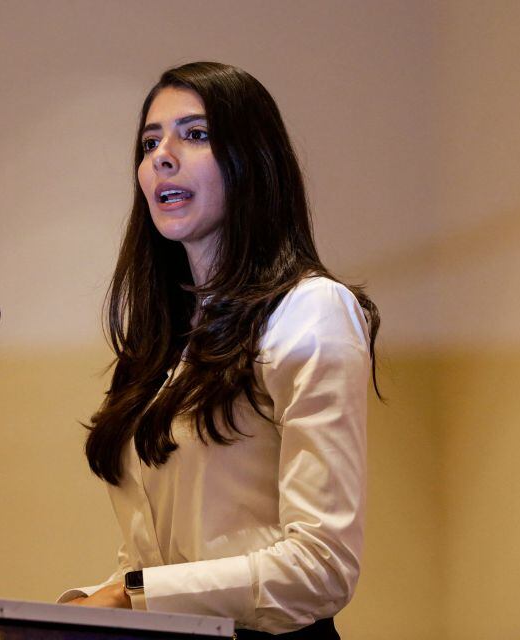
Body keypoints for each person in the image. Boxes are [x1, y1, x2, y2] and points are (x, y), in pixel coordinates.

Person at [59, 61, 379, 638]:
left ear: (252, 163)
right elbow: (162, 565)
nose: (162, 155)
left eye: (196, 134)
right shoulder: (161, 342)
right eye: (150, 140)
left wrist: (132, 599)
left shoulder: (310, 311)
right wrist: (91, 604)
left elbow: (323, 570)